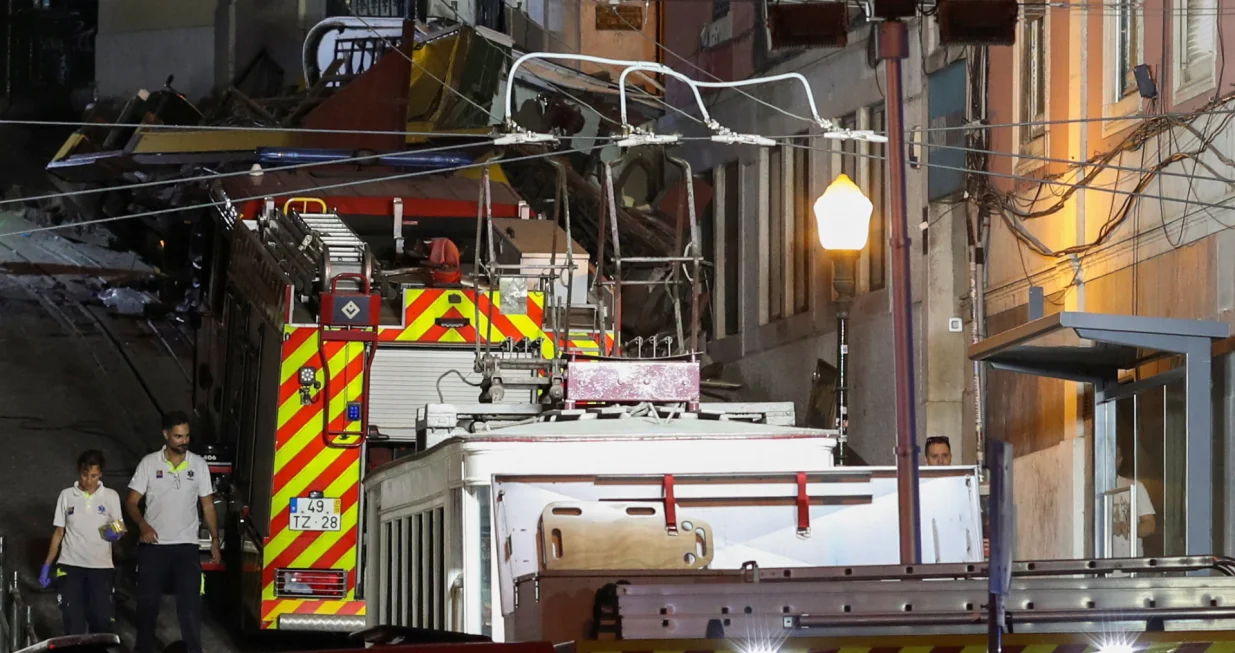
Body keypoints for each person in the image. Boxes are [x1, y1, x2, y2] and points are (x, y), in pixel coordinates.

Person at [126, 411, 220, 653]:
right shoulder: (149, 463)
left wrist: (215, 539)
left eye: (187, 436)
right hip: (153, 549)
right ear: (166, 435)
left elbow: (207, 504)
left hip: (186, 548)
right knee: (147, 605)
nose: (184, 441)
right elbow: (131, 502)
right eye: (178, 436)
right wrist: (143, 525)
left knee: (190, 606)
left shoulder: (198, 465)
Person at [40, 450, 124, 635]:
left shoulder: (111, 496)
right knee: (73, 621)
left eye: (93, 476)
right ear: (79, 471)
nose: (88, 480)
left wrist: (109, 533)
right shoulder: (66, 495)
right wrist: (47, 564)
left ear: (100, 474)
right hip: (71, 566)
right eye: (85, 475)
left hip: (101, 568)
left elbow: (118, 529)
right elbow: (59, 532)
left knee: (101, 621)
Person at [1112, 443, 1156, 557]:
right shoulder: (1088, 490)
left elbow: (1150, 525)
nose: (1109, 461)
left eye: (1114, 457)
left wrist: (1130, 528)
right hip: (1097, 564)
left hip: (1130, 565)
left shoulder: (1135, 487)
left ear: (1119, 460)